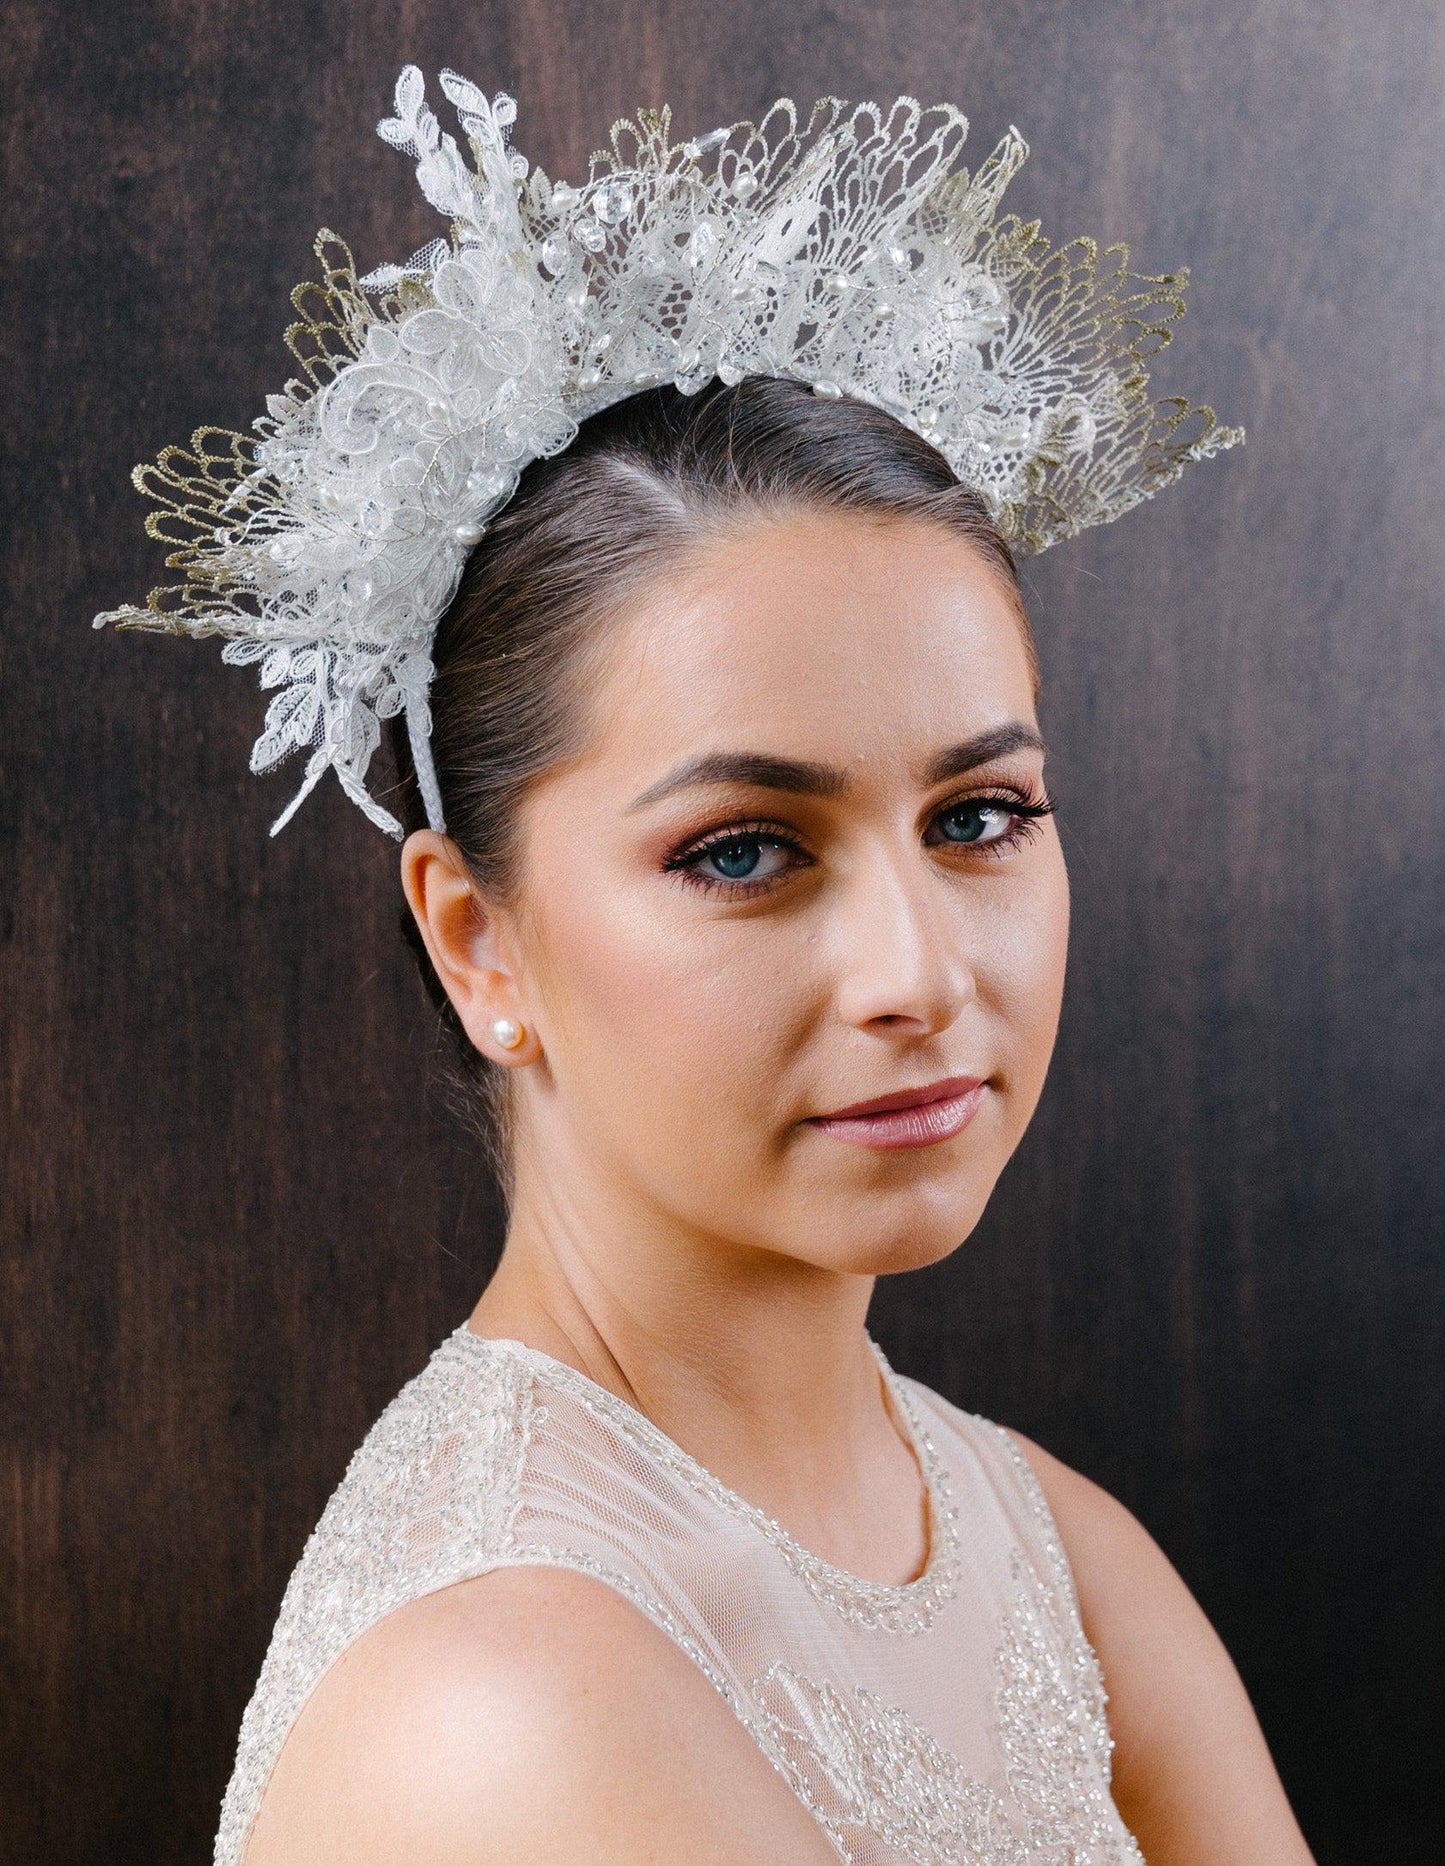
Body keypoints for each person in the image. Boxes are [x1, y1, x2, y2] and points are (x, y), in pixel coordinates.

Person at [97, 69, 1313, 1864]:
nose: (915, 970)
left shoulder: (1047, 1547)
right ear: (477, 937)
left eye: (979, 815)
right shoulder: (505, 1700)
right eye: (742, 851)